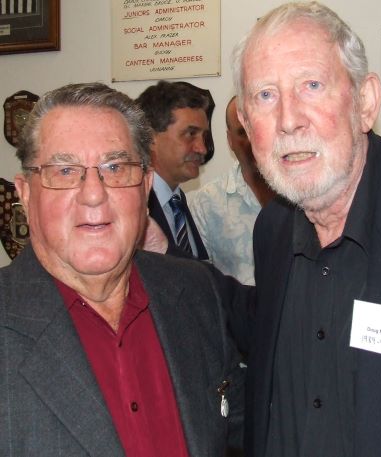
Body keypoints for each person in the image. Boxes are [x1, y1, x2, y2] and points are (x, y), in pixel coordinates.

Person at [227, 2, 381, 456]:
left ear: (365, 102)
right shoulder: (272, 229)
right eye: (265, 96)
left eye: (311, 85)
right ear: (245, 124)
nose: (289, 120)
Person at [0, 82, 244, 457]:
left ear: (145, 185)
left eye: (115, 167)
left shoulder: (196, 294)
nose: (94, 194)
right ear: (26, 193)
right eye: (65, 171)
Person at [190, 96, 274, 285]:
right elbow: (198, 281)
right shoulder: (208, 203)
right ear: (230, 140)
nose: (253, 141)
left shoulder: (302, 194)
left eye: (259, 129)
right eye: (243, 133)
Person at [136, 80, 210, 260]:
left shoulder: (177, 201)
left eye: (203, 136)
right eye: (190, 134)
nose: (202, 148)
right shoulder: (135, 206)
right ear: (150, 138)